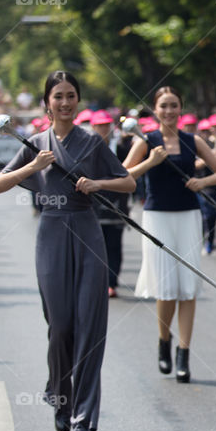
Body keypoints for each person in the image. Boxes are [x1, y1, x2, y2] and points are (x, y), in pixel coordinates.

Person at [0, 71, 136, 431]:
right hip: (52, 235)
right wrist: (34, 166)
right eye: (58, 96)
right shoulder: (35, 143)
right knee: (60, 328)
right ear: (47, 103)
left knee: (91, 326)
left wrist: (98, 184)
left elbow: (128, 182)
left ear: (78, 100)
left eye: (71, 95)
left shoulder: (91, 141)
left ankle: (84, 419)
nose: (66, 102)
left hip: (88, 234)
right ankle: (60, 394)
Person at [123, 86, 216, 383]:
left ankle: (184, 352)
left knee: (188, 286)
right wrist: (150, 162)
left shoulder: (192, 140)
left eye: (174, 105)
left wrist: (202, 182)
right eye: (164, 106)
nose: (169, 111)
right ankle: (163, 340)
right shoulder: (146, 141)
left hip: (188, 216)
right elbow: (121, 176)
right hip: (157, 217)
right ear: (155, 110)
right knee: (165, 287)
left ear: (181, 109)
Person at [90, 110, 133, 297]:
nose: (103, 129)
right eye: (99, 125)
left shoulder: (121, 148)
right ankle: (96, 281)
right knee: (94, 249)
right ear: (93, 127)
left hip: (117, 206)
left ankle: (112, 283)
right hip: (92, 207)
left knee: (114, 246)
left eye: (106, 125)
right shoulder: (85, 148)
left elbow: (129, 175)